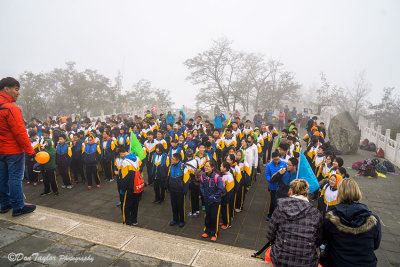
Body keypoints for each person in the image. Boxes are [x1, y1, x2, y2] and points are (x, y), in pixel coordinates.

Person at [322, 178, 381, 267]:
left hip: (337, 262)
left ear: (339, 193)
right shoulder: (373, 219)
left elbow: (325, 240)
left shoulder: (330, 218)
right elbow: (375, 245)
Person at [0, 77, 36, 216]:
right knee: (15, 178)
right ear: (6, 89)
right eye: (16, 89)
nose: (18, 93)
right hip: (13, 151)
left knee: (2, 178)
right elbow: (20, 133)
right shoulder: (11, 108)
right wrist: (31, 152)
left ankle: (4, 204)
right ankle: (18, 206)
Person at [266, 179, 322, 267]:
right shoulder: (315, 213)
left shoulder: (280, 208)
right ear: (306, 193)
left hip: (280, 259)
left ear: (291, 191)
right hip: (307, 262)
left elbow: (270, 235)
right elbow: (318, 240)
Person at [200, 161, 225, 241]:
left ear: (212, 168)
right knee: (207, 216)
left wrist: (213, 197)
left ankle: (214, 233)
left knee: (214, 217)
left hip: (215, 201)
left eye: (208, 166)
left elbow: (221, 189)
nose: (206, 168)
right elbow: (202, 186)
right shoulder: (203, 175)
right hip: (207, 200)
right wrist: (204, 195)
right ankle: (207, 230)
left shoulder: (217, 177)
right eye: (205, 166)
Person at [118, 147, 142, 226]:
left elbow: (125, 178)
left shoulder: (125, 162)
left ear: (122, 153)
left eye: (119, 154)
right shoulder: (137, 158)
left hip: (129, 187)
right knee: (135, 204)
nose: (120, 156)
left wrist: (122, 188)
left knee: (126, 205)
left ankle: (127, 222)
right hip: (137, 186)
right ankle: (134, 220)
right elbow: (141, 168)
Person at [167, 153, 188, 227]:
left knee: (180, 206)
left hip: (180, 191)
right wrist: (168, 187)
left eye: (173, 159)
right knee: (174, 205)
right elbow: (169, 176)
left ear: (177, 160)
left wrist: (184, 192)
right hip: (172, 190)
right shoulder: (171, 166)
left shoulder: (184, 167)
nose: (171, 160)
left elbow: (186, 180)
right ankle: (175, 219)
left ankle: (182, 220)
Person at [265, 151, 286, 221]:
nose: (276, 161)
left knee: (280, 201)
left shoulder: (284, 164)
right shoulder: (269, 165)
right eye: (274, 160)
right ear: (272, 158)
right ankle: (270, 214)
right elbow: (267, 175)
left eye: (277, 159)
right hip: (273, 186)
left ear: (280, 158)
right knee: (272, 201)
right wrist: (270, 180)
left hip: (281, 186)